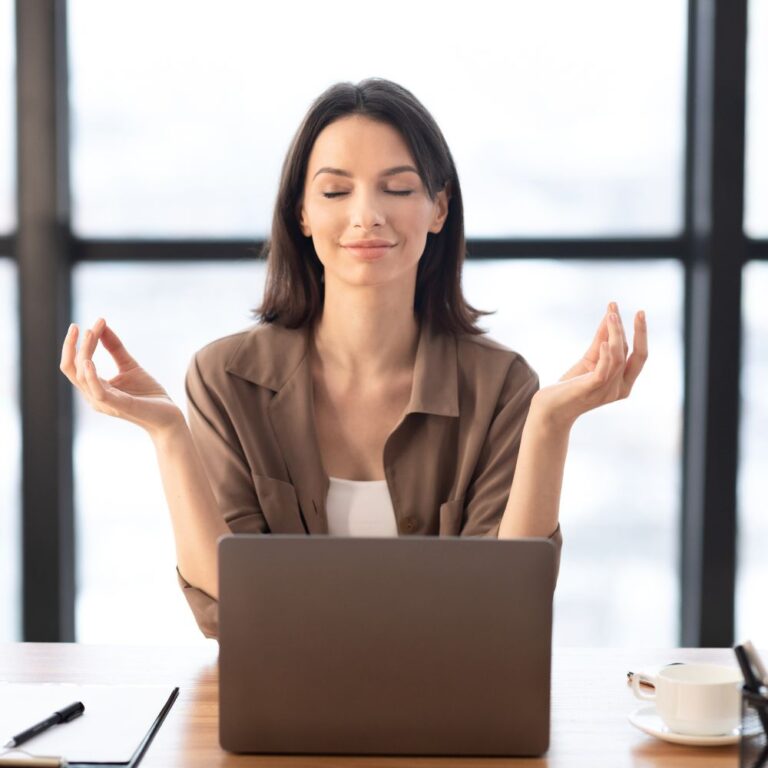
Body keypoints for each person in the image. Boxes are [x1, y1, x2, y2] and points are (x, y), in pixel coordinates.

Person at [59, 78, 647, 639]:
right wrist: (168, 434)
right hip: (284, 708)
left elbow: (505, 607)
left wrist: (551, 423)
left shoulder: (502, 384)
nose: (367, 215)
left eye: (398, 188)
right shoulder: (226, 378)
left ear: (439, 209)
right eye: (336, 191)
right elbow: (231, 603)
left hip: (451, 716)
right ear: (302, 214)